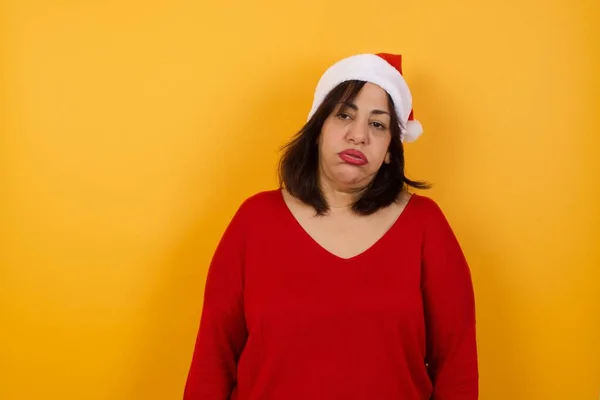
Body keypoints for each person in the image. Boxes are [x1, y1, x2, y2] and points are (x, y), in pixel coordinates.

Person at [183, 53, 478, 399]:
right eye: (344, 115)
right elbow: (212, 362)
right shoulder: (254, 220)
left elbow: (457, 368)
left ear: (389, 151)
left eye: (378, 124)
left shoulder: (426, 226)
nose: (358, 136)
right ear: (318, 127)